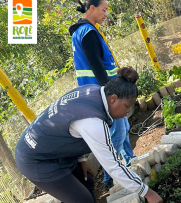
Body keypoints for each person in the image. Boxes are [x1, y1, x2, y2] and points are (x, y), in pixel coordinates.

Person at [15, 67, 163, 203]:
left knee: (88, 181)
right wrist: (147, 193)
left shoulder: (94, 91)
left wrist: (81, 158)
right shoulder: (93, 122)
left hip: (52, 147)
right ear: (113, 98)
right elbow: (114, 167)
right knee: (82, 200)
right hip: (36, 160)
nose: (126, 112)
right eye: (126, 106)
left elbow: (72, 126)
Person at [68, 0, 133, 190]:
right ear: (92, 8)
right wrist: (115, 91)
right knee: (119, 131)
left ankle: (130, 160)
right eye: (103, 10)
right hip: (104, 92)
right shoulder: (87, 32)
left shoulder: (82, 31)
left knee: (124, 126)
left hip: (96, 90)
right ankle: (109, 177)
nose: (106, 14)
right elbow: (96, 67)